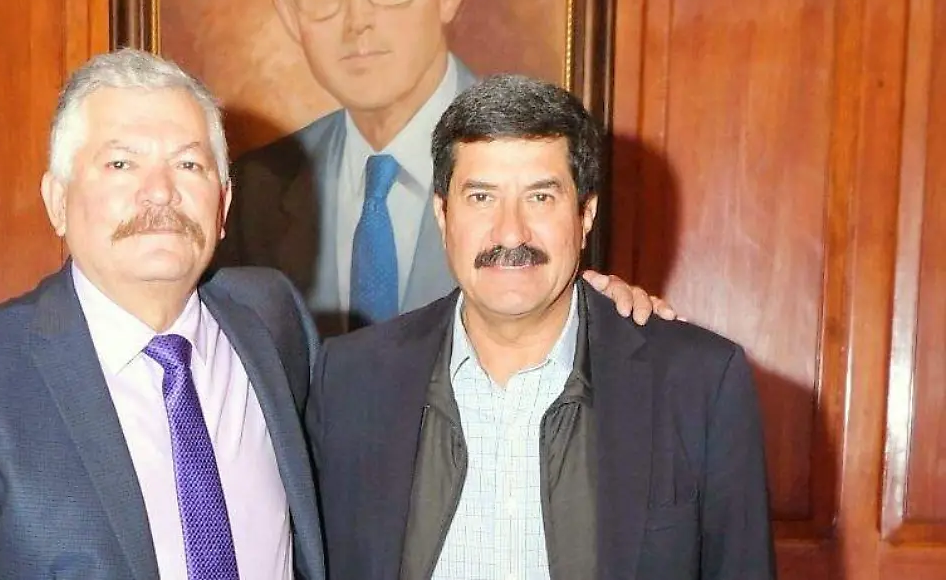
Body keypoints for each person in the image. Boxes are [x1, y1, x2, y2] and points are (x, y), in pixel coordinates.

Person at [0, 49, 325, 580]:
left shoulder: (273, 319)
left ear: (222, 205)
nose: (160, 191)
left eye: (188, 165)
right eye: (121, 163)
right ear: (57, 201)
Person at [307, 75, 775, 580]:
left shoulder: (697, 382)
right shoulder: (349, 381)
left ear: (585, 214)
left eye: (540, 198)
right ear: (442, 214)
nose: (511, 233)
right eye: (481, 197)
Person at [217, 0, 668, 335]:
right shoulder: (255, 190)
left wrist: (609, 310)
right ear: (290, 13)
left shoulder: (552, 163)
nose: (357, 20)